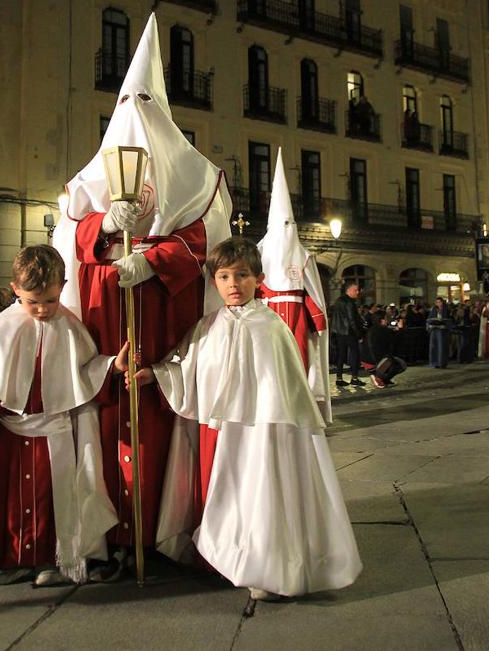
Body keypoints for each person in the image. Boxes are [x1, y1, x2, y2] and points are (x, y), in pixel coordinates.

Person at [52, 13, 232, 578]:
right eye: (128, 105)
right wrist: (105, 225)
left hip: (166, 317)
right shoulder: (89, 180)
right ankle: (112, 533)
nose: (137, 117)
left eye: (146, 105)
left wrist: (151, 258)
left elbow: (207, 241)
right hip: (110, 317)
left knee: (160, 418)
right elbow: (68, 235)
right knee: (109, 419)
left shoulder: (199, 177)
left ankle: (162, 528)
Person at [129, 237, 362, 601]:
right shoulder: (207, 326)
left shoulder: (271, 327)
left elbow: (283, 387)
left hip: (258, 434)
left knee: (254, 495)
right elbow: (186, 365)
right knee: (219, 497)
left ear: (259, 279)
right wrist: (154, 374)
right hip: (216, 431)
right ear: (214, 281)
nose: (233, 285)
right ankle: (220, 558)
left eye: (241, 275)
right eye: (223, 277)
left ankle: (259, 563)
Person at [0, 245, 122, 586]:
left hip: (55, 432)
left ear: (62, 287)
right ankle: (9, 558)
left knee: (53, 498)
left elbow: (85, 373)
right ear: (16, 289)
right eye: (33, 301)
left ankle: (50, 559)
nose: (43, 309)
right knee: (6, 499)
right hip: (11, 431)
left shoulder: (71, 327)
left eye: (50, 300)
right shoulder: (3, 327)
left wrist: (110, 367)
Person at [257, 148, 330, 420]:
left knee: (299, 358)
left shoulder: (303, 255)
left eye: (291, 224)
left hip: (297, 314)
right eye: (283, 223)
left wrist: (317, 318)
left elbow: (309, 291)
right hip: (267, 313)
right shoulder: (260, 252)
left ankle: (299, 405)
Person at [332, 281, 366, 386]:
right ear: (349, 290)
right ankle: (354, 378)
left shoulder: (338, 300)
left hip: (339, 332)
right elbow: (352, 320)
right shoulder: (350, 302)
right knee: (355, 354)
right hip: (349, 332)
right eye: (355, 290)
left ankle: (339, 378)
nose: (357, 292)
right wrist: (359, 334)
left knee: (341, 355)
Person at [426, 297, 452, 368]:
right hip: (434, 331)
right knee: (434, 347)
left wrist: (445, 326)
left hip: (442, 332)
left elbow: (449, 320)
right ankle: (434, 363)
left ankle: (442, 363)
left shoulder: (446, 310)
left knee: (441, 347)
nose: (438, 304)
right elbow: (428, 319)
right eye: (437, 302)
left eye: (440, 302)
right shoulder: (433, 310)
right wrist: (430, 325)